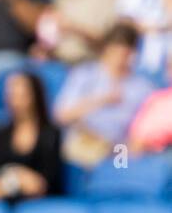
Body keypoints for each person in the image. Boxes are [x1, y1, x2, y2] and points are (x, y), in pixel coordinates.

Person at [53, 22, 153, 168]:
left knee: (125, 162)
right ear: (106, 49)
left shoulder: (142, 87)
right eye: (115, 51)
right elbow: (61, 116)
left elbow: (146, 128)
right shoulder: (84, 75)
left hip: (120, 149)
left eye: (125, 53)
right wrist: (102, 100)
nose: (120, 59)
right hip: (85, 143)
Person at [0, 70, 63, 201]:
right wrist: (19, 179)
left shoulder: (51, 135)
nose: (15, 101)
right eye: (11, 95)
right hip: (5, 206)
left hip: (44, 208)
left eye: (21, 95)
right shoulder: (0, 135)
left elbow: (41, 185)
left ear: (35, 95)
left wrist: (9, 180)